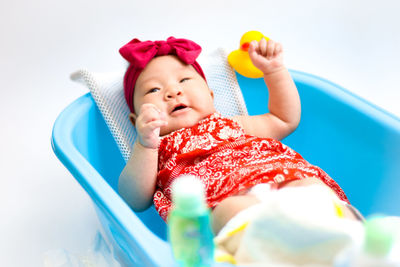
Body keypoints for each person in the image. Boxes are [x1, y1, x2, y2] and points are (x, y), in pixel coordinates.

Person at [118, 36, 358, 235]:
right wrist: (145, 143)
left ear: (211, 96)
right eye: (154, 89)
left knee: (312, 187)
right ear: (135, 120)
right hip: (226, 205)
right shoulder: (156, 149)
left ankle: (351, 240)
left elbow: (284, 119)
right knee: (230, 212)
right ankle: (277, 252)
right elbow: (135, 199)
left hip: (283, 180)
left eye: (184, 79)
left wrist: (274, 71)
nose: (173, 91)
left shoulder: (232, 124)